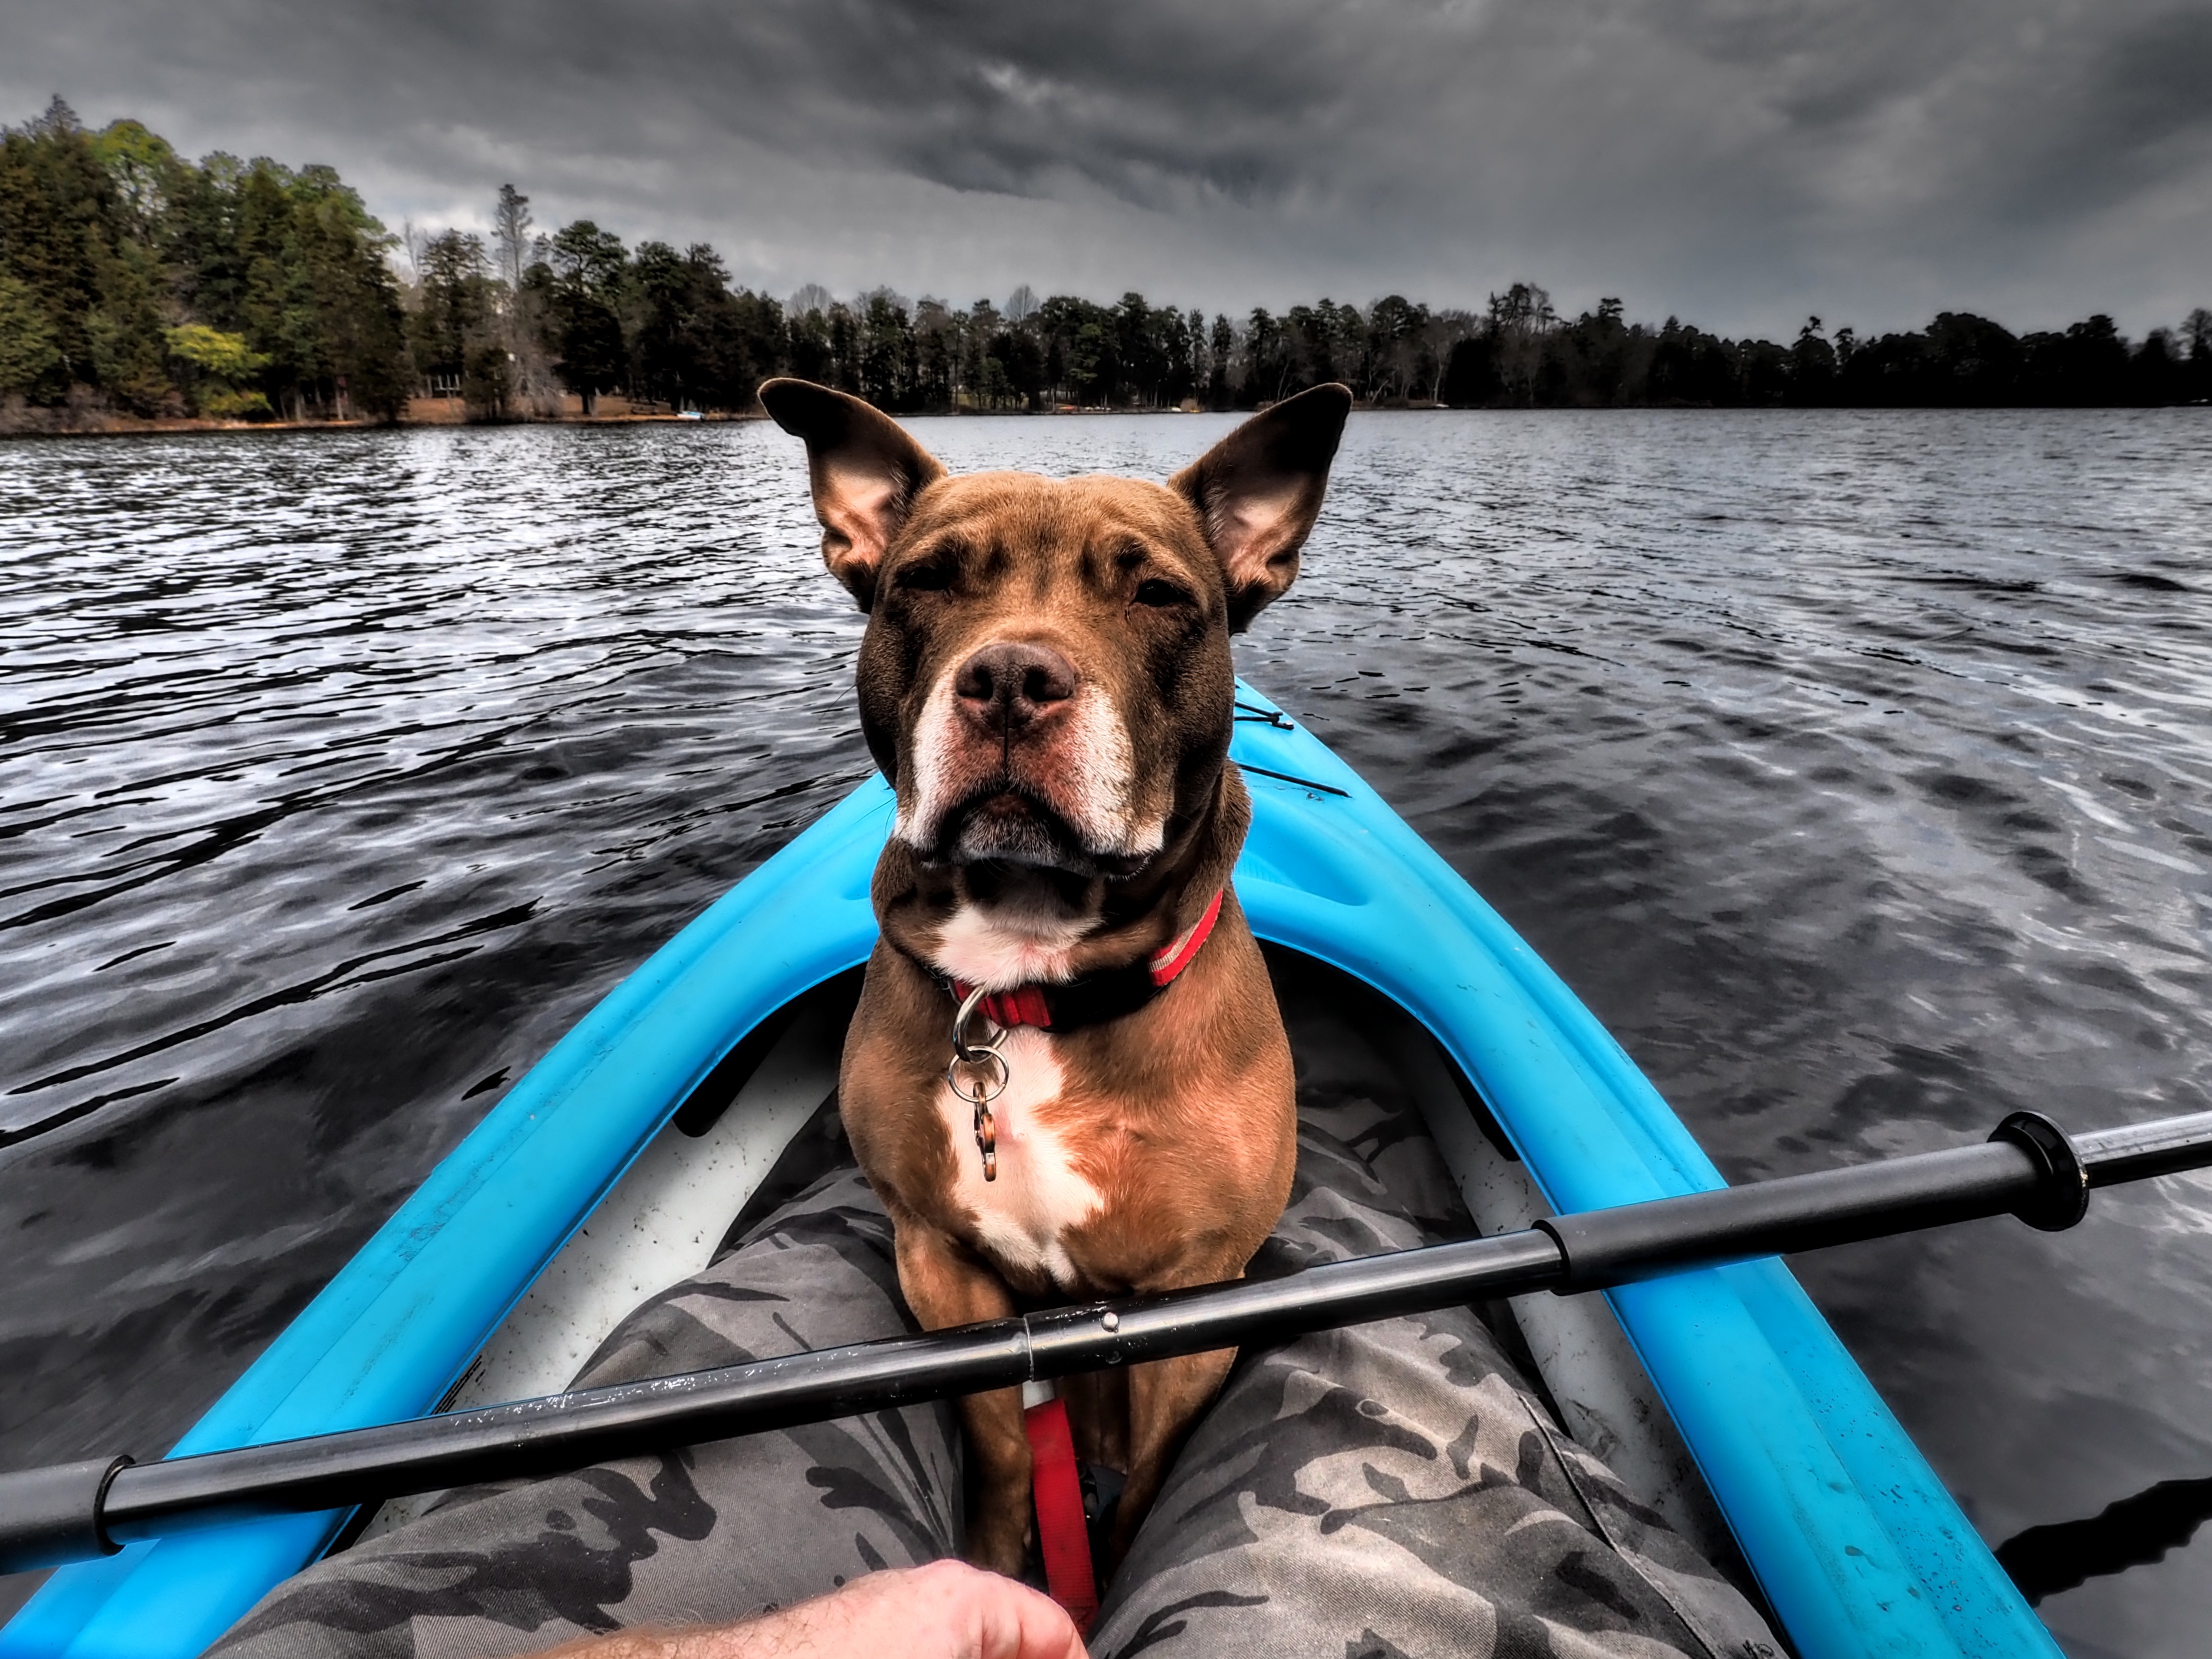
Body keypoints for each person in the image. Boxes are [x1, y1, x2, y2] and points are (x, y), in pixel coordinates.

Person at [211, 966, 1779, 1659]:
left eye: (1140, 591)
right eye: (942, 587)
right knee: (1369, 1314)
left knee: (751, 1302)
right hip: (935, 1157)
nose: (1022, 657)